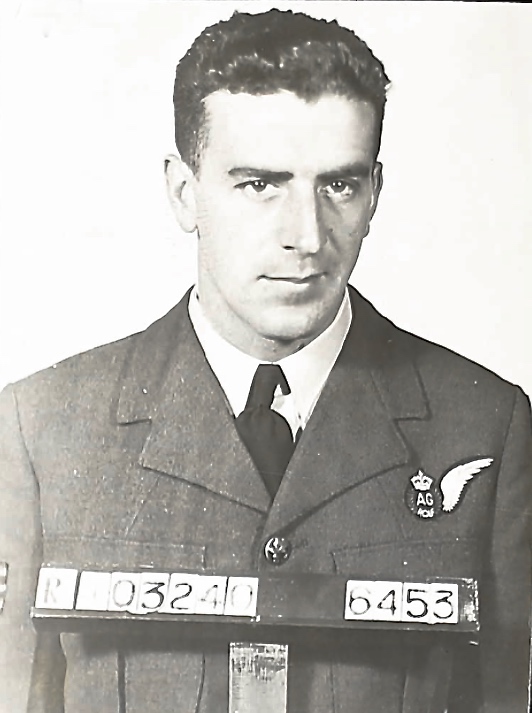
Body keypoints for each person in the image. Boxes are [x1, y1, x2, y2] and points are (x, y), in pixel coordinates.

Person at [0, 8, 530, 713]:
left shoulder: (484, 428)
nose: (306, 237)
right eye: (260, 185)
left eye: (338, 185)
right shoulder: (41, 429)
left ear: (375, 194)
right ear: (184, 193)